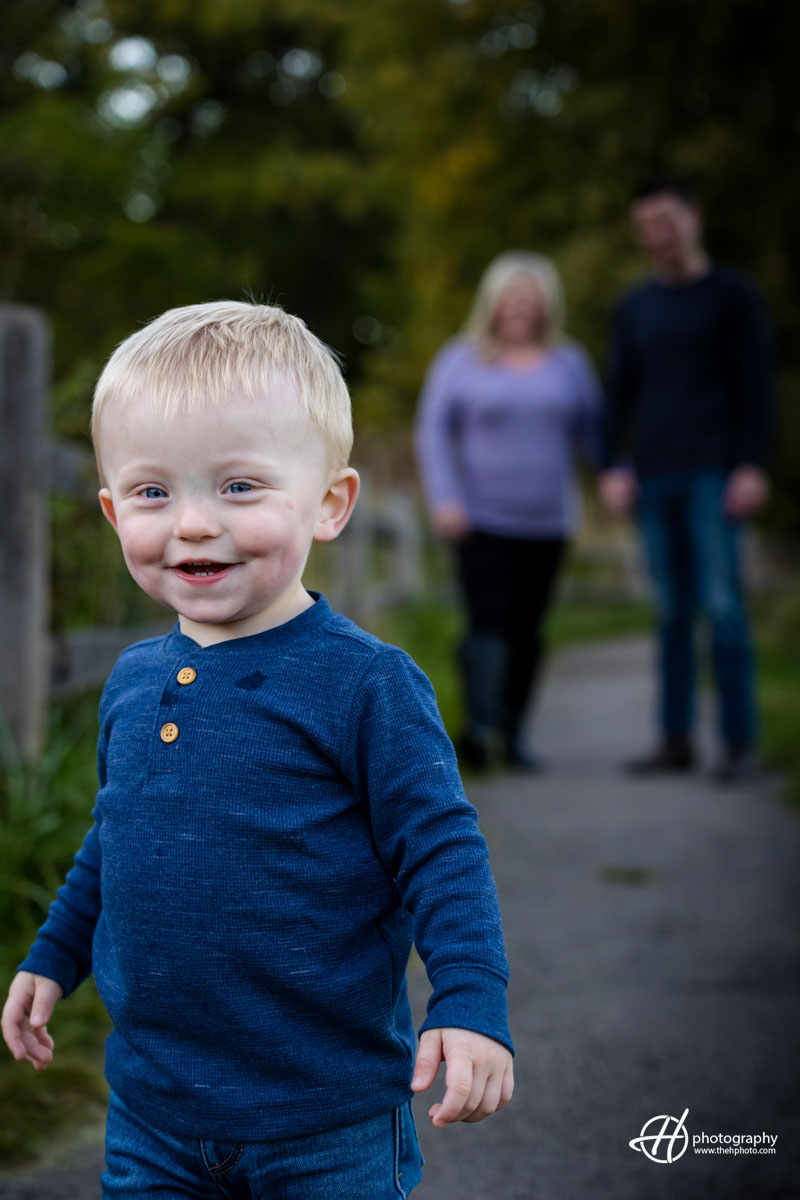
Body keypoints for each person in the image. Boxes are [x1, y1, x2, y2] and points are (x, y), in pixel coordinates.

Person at [1, 302, 514, 1198]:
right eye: (155, 493)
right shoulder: (130, 682)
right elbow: (114, 838)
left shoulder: (363, 684)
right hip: (153, 1116)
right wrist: (53, 953)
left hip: (327, 1121)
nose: (194, 524)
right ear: (113, 510)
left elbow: (439, 851)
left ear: (328, 504)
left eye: (239, 487)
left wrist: (471, 1002)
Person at [600, 177, 775, 782]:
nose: (659, 234)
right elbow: (617, 395)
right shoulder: (636, 306)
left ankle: (739, 743)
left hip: (715, 472)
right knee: (671, 611)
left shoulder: (732, 296)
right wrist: (612, 467)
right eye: (647, 224)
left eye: (668, 219)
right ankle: (675, 739)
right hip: (653, 475)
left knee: (724, 608)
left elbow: (758, 386)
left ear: (694, 218)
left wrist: (753, 463)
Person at [414, 251, 602, 771]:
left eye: (531, 299)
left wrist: (616, 473)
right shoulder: (460, 359)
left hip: (548, 521)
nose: (521, 307)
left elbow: (594, 434)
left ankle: (515, 732)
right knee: (487, 623)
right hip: (480, 519)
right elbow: (433, 433)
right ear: (493, 304)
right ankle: (479, 727)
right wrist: (445, 498)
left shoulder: (570, 363)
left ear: (547, 307)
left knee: (529, 628)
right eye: (511, 298)